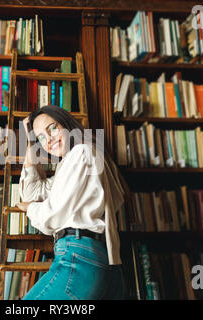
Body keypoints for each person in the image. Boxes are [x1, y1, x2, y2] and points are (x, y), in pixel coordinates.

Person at [15, 105, 130, 300]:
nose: (48, 140)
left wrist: (31, 209)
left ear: (67, 124)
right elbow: (31, 192)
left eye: (52, 128)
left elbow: (52, 214)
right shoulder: (68, 165)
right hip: (94, 256)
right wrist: (31, 144)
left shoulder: (82, 153)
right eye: (41, 137)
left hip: (79, 254)